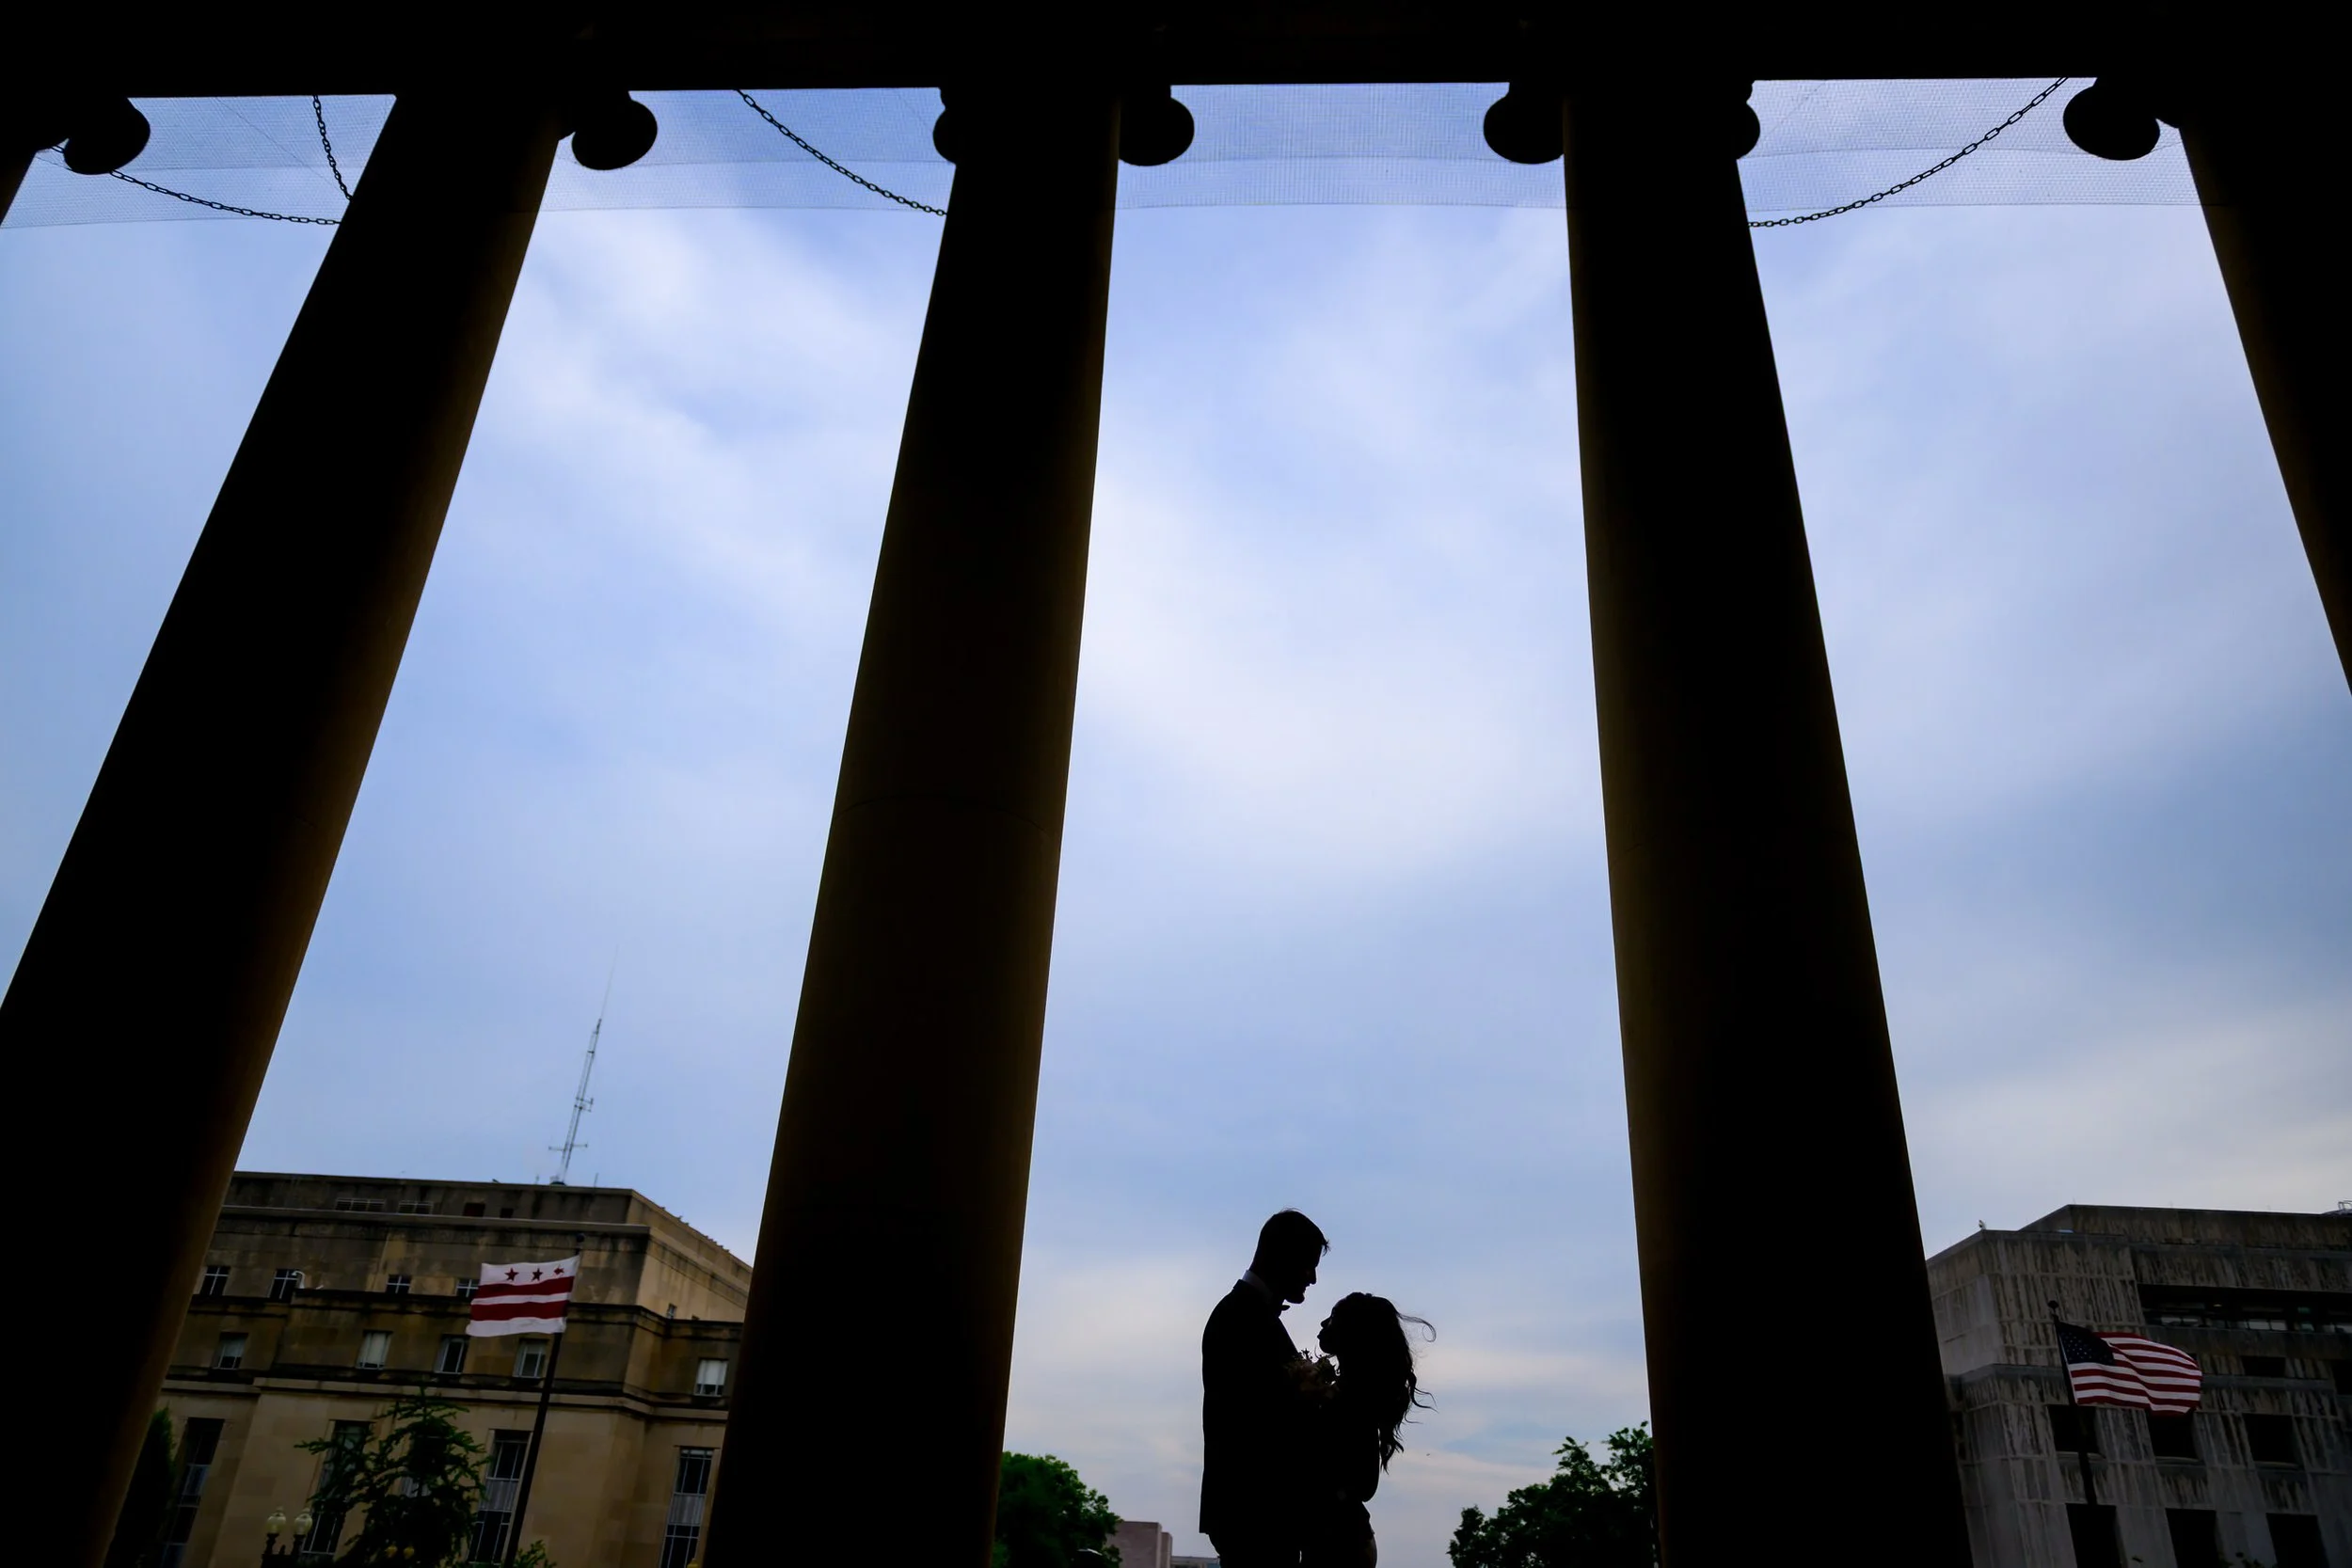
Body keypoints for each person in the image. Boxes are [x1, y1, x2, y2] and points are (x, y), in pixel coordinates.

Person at [1200, 1210, 1327, 1568]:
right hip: (1255, 1511)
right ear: (1282, 1256)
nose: (1313, 1279)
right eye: (1308, 1265)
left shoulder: (1242, 1313)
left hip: (1250, 1513)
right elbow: (1259, 1421)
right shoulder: (1244, 1318)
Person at [1301, 1292, 1431, 1568]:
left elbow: (1365, 1484)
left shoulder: (1353, 1399)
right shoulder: (1349, 1393)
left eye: (1333, 1318)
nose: (1324, 1323)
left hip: (1341, 1544)